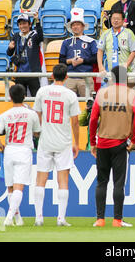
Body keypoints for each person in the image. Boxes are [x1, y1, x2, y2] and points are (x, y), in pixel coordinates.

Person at [89, 65, 135, 227]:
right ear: (126, 78)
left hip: (103, 142)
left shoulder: (102, 93)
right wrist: (133, 140)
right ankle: (117, 220)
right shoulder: (133, 94)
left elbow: (93, 119)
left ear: (112, 78)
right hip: (120, 144)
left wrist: (93, 142)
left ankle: (100, 219)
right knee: (119, 183)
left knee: (101, 181)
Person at [33, 63, 81, 227]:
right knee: (63, 180)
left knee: (41, 179)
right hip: (63, 142)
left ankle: (39, 217)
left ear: (52, 76)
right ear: (66, 77)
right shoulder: (70, 95)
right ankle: (61, 218)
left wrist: (39, 132)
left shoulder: (42, 91)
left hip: (46, 141)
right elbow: (75, 122)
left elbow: (37, 114)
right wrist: (77, 142)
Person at [0, 84, 41, 226]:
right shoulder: (31, 114)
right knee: (19, 187)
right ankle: (8, 218)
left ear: (10, 97)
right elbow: (37, 133)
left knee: (10, 187)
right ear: (24, 97)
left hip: (9, 150)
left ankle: (18, 219)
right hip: (24, 150)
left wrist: (1, 146)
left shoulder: (4, 115)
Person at [59, 8, 98, 97]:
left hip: (86, 78)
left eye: (78, 24)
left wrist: (82, 61)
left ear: (83, 26)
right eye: (73, 25)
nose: (75, 27)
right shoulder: (66, 42)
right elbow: (61, 60)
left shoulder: (91, 41)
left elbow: (96, 59)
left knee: (88, 104)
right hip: (70, 78)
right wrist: (70, 61)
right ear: (71, 27)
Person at [7, 12, 43, 97]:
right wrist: (10, 48)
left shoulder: (34, 35)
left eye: (24, 23)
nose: (22, 26)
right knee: (20, 98)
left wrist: (37, 21)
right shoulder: (16, 36)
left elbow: (41, 37)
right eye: (20, 24)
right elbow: (9, 53)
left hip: (33, 72)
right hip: (20, 72)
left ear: (30, 24)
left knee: (36, 98)